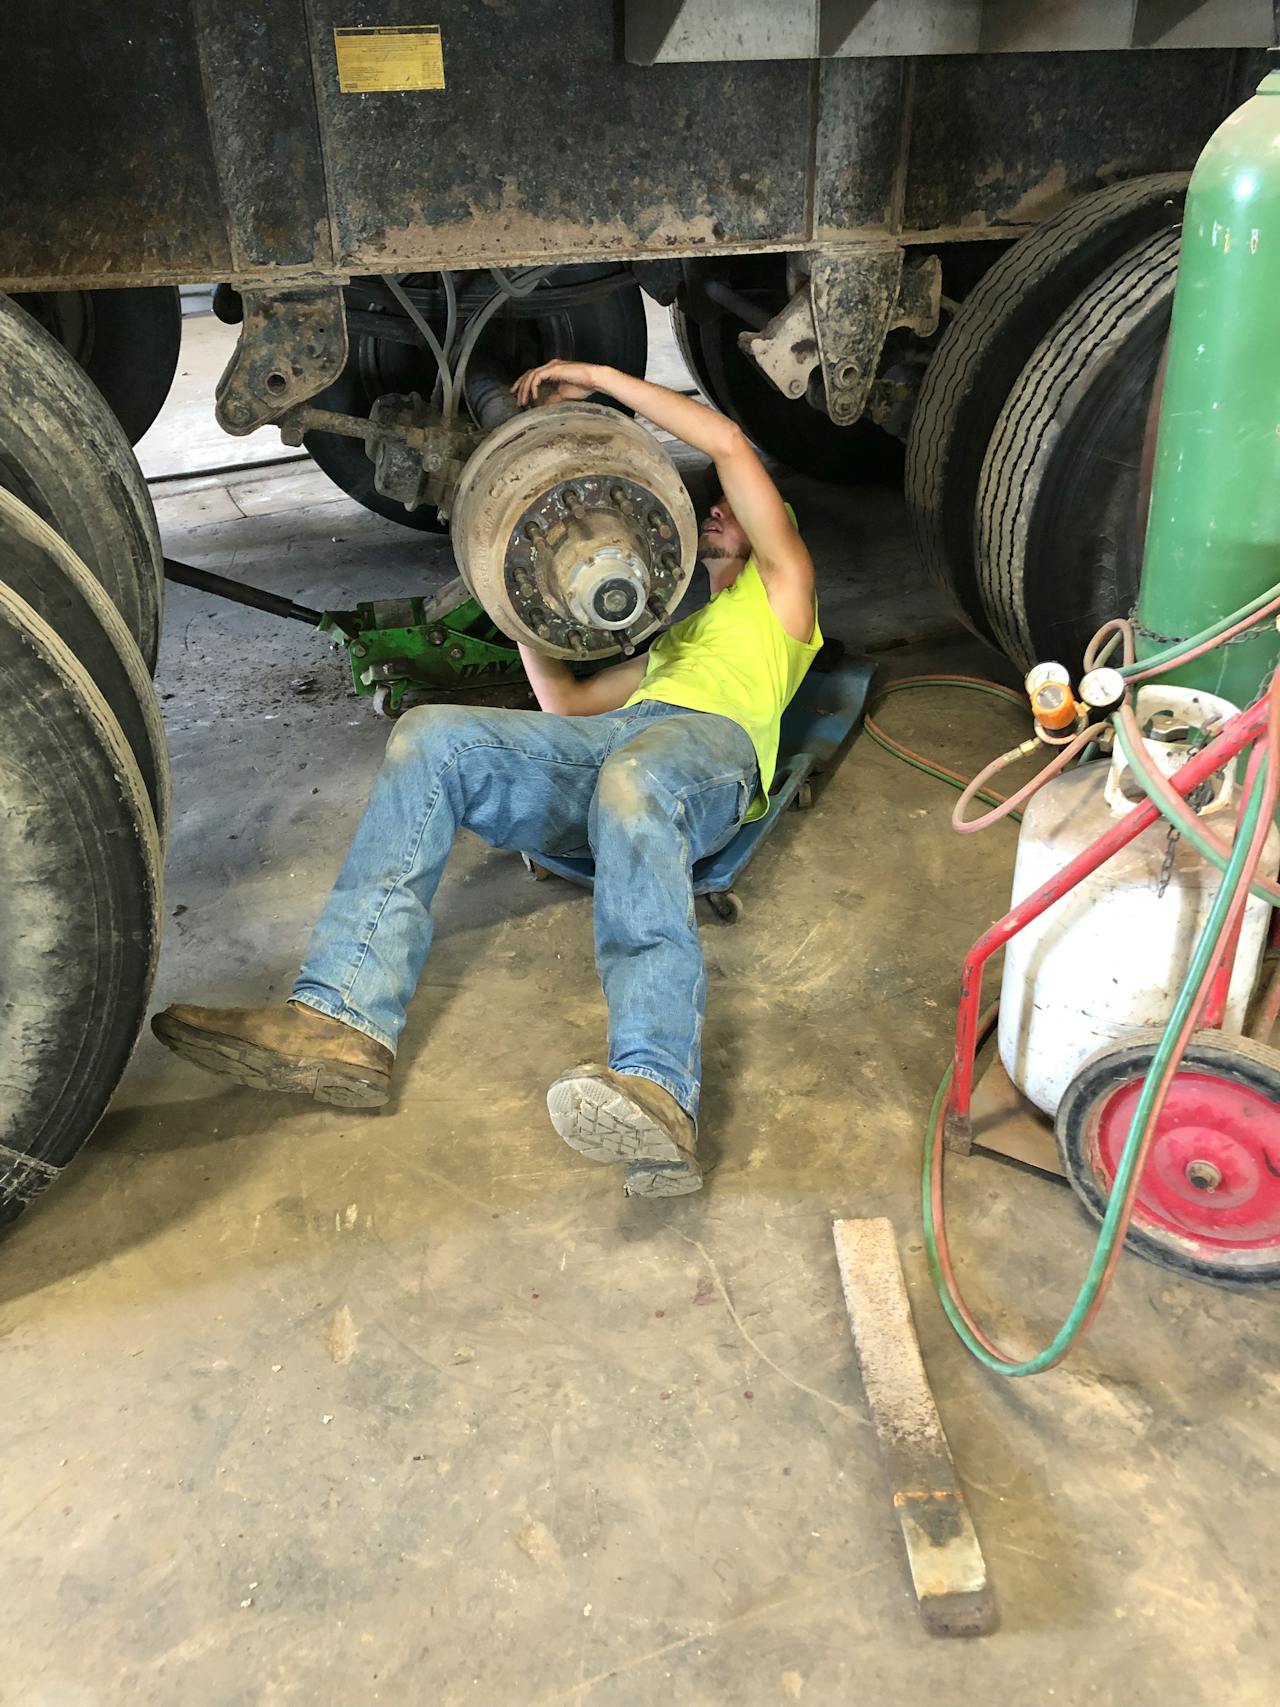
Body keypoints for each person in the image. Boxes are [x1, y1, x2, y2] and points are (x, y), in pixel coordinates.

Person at [152, 359, 820, 1197]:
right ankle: (342, 1017)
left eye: (736, 512)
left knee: (633, 780)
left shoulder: (783, 597)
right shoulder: (675, 645)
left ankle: (658, 1087)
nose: (719, 509)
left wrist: (598, 379)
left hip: (705, 760)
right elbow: (570, 706)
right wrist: (510, 589)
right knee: (434, 737)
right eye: (719, 509)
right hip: (619, 744)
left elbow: (723, 440)